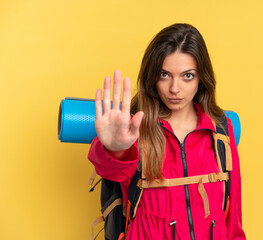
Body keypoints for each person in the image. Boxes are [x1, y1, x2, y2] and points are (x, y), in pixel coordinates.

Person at [88, 23, 246, 240]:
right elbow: (109, 169)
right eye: (164, 75)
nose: (174, 88)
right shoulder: (133, 129)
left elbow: (233, 219)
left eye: (187, 76)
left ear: (202, 78)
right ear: (152, 78)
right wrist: (115, 150)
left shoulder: (221, 130)